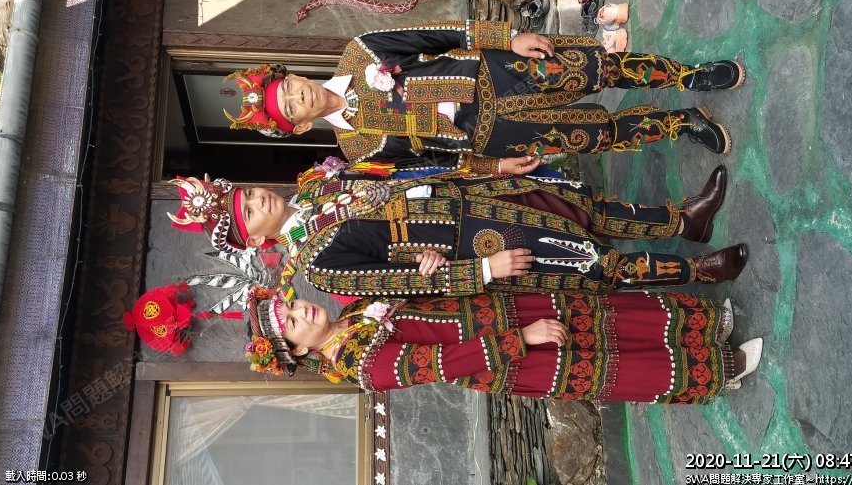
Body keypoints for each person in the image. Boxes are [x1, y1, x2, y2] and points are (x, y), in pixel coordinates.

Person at [223, 20, 743, 175]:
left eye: (289, 87)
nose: (299, 95)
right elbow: (430, 166)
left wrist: (505, 39)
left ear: (294, 76)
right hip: (491, 135)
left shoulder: (359, 53)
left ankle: (690, 75)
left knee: (596, 68)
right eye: (290, 106)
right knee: (594, 134)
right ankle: (681, 124)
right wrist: (493, 168)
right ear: (297, 125)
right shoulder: (358, 150)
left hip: (495, 72)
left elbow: (436, 34)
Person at [169, 165, 747, 298]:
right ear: (256, 239)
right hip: (474, 249)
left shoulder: (318, 187)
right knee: (588, 261)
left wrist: (482, 171)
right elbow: (399, 284)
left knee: (578, 207)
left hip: (470, 200)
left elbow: (400, 177)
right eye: (249, 212)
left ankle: (685, 220)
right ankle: (700, 271)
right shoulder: (315, 262)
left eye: (248, 194)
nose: (258, 200)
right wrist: (483, 271)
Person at [245, 288, 763, 403]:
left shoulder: (354, 313)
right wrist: (522, 338)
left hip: (502, 313)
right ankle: (720, 370)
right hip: (511, 355)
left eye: (292, 306)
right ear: (299, 351)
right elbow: (445, 363)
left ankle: (701, 328)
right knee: (608, 365)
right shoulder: (364, 367)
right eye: (292, 324)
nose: (302, 312)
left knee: (601, 318)